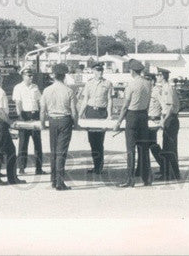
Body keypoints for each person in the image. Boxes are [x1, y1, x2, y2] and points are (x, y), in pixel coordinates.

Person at [112, 59, 153, 187]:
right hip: (143, 116)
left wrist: (118, 122)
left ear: (132, 71)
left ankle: (130, 179)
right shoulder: (148, 83)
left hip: (132, 116)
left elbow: (125, 106)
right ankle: (147, 178)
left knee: (130, 149)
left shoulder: (131, 85)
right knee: (144, 149)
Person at [40, 63, 78, 191]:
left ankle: (53, 180)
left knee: (54, 151)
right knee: (61, 152)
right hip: (65, 120)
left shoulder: (46, 90)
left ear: (54, 76)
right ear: (64, 76)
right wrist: (76, 124)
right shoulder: (69, 91)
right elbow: (74, 111)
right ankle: (60, 183)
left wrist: (42, 124)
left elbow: (42, 111)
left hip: (52, 121)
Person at [78, 62, 113, 176]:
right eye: (97, 70)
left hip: (101, 113)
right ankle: (95, 165)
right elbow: (85, 99)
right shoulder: (89, 84)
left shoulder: (108, 83)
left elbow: (109, 100)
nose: (100, 72)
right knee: (92, 141)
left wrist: (109, 114)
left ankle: (99, 166)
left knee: (100, 140)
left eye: (101, 70)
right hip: (91, 112)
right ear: (93, 71)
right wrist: (80, 114)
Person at [12, 68, 44, 175]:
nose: (31, 77)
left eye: (32, 75)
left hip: (35, 115)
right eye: (28, 75)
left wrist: (41, 115)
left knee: (38, 144)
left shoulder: (35, 87)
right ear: (23, 76)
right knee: (23, 143)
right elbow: (18, 103)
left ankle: (39, 168)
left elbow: (40, 101)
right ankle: (21, 167)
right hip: (24, 115)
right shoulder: (18, 88)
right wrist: (21, 116)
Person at [157, 68, 181, 181]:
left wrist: (164, 120)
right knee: (167, 147)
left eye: (158, 75)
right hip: (168, 119)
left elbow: (171, 107)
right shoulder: (164, 88)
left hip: (170, 119)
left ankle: (173, 174)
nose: (157, 77)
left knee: (170, 147)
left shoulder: (168, 88)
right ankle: (169, 173)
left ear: (162, 76)